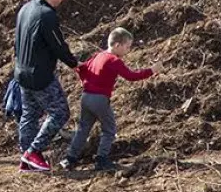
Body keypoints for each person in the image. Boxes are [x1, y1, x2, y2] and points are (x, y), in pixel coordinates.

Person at [60, 28, 160, 172]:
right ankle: (101, 159)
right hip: (100, 99)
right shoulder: (114, 60)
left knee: (83, 129)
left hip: (86, 97)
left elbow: (81, 69)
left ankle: (70, 158)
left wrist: (86, 83)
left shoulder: (98, 56)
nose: (128, 50)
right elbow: (131, 76)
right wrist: (152, 70)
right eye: (127, 46)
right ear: (117, 45)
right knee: (109, 129)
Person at [14, 0, 78, 174]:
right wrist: (75, 64)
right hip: (39, 75)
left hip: (21, 71)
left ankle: (26, 159)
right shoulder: (47, 15)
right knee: (60, 113)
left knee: (29, 115)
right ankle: (33, 152)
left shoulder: (26, 8)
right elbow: (58, 45)